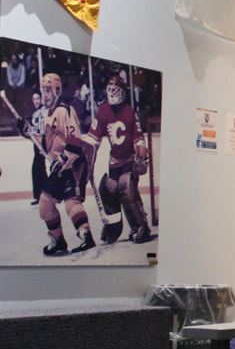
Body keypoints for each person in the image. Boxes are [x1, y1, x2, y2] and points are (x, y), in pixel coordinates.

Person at [29, 73, 95, 255]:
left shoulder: (64, 110)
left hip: (75, 165)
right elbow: (45, 146)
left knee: (71, 203)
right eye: (43, 91)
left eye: (48, 90)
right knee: (45, 205)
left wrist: (64, 159)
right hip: (60, 167)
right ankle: (58, 240)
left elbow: (75, 140)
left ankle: (86, 236)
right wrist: (27, 133)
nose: (45, 95)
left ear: (57, 90)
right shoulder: (46, 114)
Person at [83, 74, 152, 244]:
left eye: (115, 90)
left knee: (126, 188)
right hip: (113, 162)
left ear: (122, 91)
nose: (112, 93)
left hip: (129, 161)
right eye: (110, 90)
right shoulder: (103, 111)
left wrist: (141, 154)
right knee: (107, 190)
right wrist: (88, 161)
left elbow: (138, 137)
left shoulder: (129, 112)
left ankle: (140, 226)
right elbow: (93, 140)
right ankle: (113, 226)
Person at [26, 91, 47, 205]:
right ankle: (43, 196)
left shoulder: (44, 111)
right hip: (36, 144)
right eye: (34, 99)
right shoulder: (35, 114)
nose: (36, 101)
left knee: (38, 168)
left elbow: (42, 130)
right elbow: (34, 131)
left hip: (42, 143)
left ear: (41, 99)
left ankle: (45, 195)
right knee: (39, 169)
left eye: (37, 98)